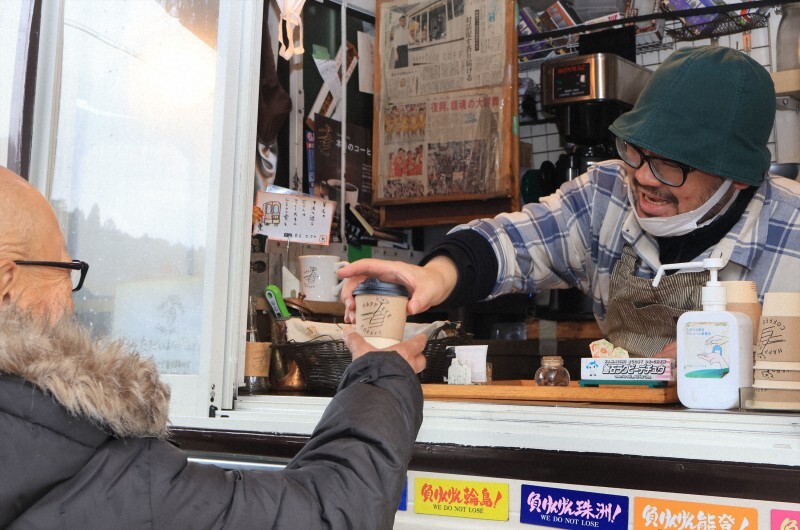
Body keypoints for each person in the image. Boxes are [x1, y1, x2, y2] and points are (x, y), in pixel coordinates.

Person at [0, 165, 427, 528]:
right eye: (63, 267)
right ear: (5, 286)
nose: (72, 297)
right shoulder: (97, 468)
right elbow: (330, 515)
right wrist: (381, 376)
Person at [339, 45, 800, 359]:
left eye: (670, 166)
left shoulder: (793, 235)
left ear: (737, 179)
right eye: (636, 151)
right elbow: (512, 242)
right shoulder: (605, 194)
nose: (642, 176)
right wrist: (431, 277)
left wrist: (740, 364)